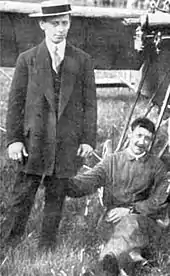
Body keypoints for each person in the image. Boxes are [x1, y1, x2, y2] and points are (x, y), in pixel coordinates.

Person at [1, 0, 97, 253]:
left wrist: (87, 140)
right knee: (21, 197)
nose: (60, 29)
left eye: (65, 23)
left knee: (56, 197)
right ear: (42, 24)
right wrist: (14, 140)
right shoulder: (27, 60)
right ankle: (10, 244)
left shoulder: (83, 60)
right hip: (33, 142)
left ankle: (46, 248)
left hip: (66, 142)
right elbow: (15, 104)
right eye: (54, 24)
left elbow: (90, 104)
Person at [66, 117, 170, 275]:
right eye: (139, 136)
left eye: (147, 138)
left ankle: (103, 268)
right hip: (111, 221)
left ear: (152, 141)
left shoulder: (157, 167)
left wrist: (130, 210)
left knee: (130, 223)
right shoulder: (112, 162)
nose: (142, 142)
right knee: (125, 241)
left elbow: (159, 201)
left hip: (143, 223)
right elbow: (85, 183)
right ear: (130, 134)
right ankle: (128, 260)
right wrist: (58, 181)